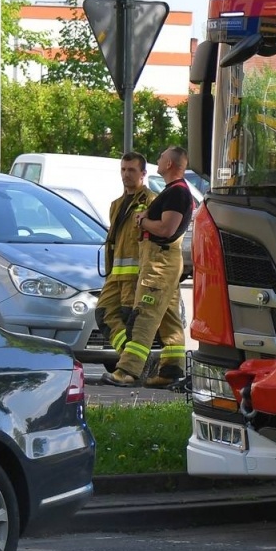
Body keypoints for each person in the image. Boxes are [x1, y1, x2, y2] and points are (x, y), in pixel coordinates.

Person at [102, 146, 193, 388]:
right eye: (123, 169)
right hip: (161, 263)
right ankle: (171, 371)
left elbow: (166, 229)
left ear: (170, 164)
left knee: (144, 317)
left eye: (162, 157)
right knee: (169, 319)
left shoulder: (176, 192)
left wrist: (143, 221)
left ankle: (127, 371)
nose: (158, 160)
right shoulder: (172, 191)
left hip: (159, 264)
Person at [98, 152, 156, 358]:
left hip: (135, 277)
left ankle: (131, 365)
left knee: (129, 320)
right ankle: (131, 358)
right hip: (115, 275)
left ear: (143, 173)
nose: (126, 174)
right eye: (123, 169)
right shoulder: (116, 204)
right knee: (103, 313)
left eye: (131, 170)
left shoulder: (151, 201)